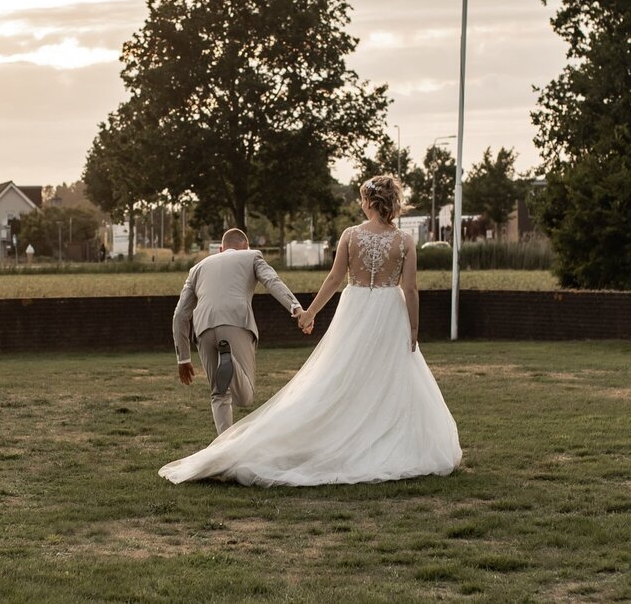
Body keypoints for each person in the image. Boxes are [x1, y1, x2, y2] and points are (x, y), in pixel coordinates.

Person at [159, 173, 462, 486]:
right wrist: (413, 328)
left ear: (370, 202)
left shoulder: (351, 235)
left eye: (361, 199)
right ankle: (385, 439)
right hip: (391, 311)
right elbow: (410, 289)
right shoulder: (405, 241)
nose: (360, 204)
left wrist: (309, 313)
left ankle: (342, 436)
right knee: (391, 377)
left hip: (356, 307)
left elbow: (333, 279)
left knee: (341, 373)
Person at [171, 227, 304, 434]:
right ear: (246, 246)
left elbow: (180, 314)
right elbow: (271, 281)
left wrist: (183, 359)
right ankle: (229, 359)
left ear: (221, 249)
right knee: (245, 397)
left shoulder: (197, 268)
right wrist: (295, 307)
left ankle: (224, 448)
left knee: (218, 394)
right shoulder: (251, 256)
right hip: (236, 321)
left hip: (203, 327)